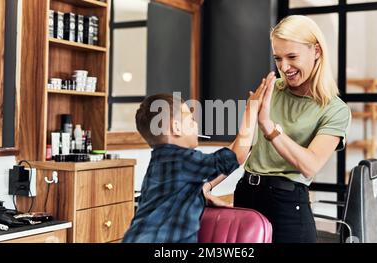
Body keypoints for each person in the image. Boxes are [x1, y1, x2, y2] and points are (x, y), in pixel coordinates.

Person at [232, 15, 352, 243]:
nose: (284, 67)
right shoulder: (270, 90)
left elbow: (310, 165)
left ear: (316, 51)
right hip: (246, 195)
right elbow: (239, 149)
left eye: (292, 56)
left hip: (288, 205)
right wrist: (204, 186)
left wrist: (269, 127)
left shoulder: (335, 110)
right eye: (278, 58)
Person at [123, 72, 276, 243]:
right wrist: (251, 111)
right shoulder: (183, 159)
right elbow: (236, 156)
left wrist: (198, 194)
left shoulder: (160, 160)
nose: (196, 124)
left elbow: (227, 157)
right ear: (176, 127)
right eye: (191, 120)